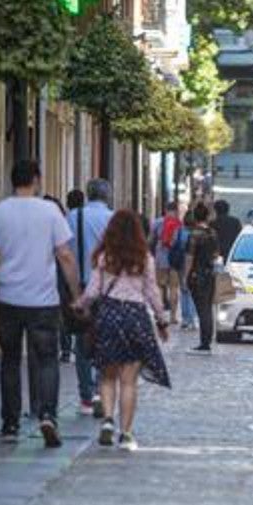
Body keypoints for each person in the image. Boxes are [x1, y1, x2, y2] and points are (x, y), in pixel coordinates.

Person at [0, 159, 81, 448]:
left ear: (13, 180)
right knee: (47, 358)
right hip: (43, 300)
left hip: (8, 297)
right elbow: (65, 255)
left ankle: (10, 424)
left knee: (10, 361)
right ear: (36, 180)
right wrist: (75, 294)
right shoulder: (50, 212)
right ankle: (48, 415)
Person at [75, 210, 171, 451]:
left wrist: (80, 304)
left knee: (107, 377)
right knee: (129, 382)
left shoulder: (104, 258)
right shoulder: (144, 258)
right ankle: (126, 433)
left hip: (108, 317)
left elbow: (93, 291)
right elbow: (152, 293)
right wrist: (162, 320)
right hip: (135, 319)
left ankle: (108, 420)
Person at [66, 179, 115, 418]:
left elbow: (64, 251)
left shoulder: (73, 217)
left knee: (82, 341)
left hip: (82, 286)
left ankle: (86, 396)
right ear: (107, 196)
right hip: (107, 287)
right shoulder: (113, 219)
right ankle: (99, 390)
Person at [184, 203, 220, 354]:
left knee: (202, 309)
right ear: (206, 216)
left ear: (195, 217)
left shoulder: (194, 234)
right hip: (210, 274)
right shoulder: (212, 233)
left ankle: (204, 344)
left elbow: (189, 257)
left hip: (197, 275)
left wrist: (186, 277)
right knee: (208, 308)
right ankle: (207, 340)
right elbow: (216, 254)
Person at [151, 202, 183, 325]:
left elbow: (151, 239)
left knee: (160, 286)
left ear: (165, 210)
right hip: (175, 259)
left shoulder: (158, 222)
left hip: (161, 257)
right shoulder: (179, 224)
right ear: (176, 211)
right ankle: (173, 317)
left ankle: (160, 316)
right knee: (174, 288)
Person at [58, 192, 80, 364]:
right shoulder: (84, 218)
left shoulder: (66, 220)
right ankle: (80, 346)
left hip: (66, 272)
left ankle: (66, 349)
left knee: (65, 311)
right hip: (85, 273)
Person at [177, 211, 198, 332]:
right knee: (193, 292)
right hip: (194, 264)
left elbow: (173, 244)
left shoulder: (180, 231)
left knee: (184, 291)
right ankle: (192, 319)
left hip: (181, 264)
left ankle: (185, 319)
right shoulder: (198, 233)